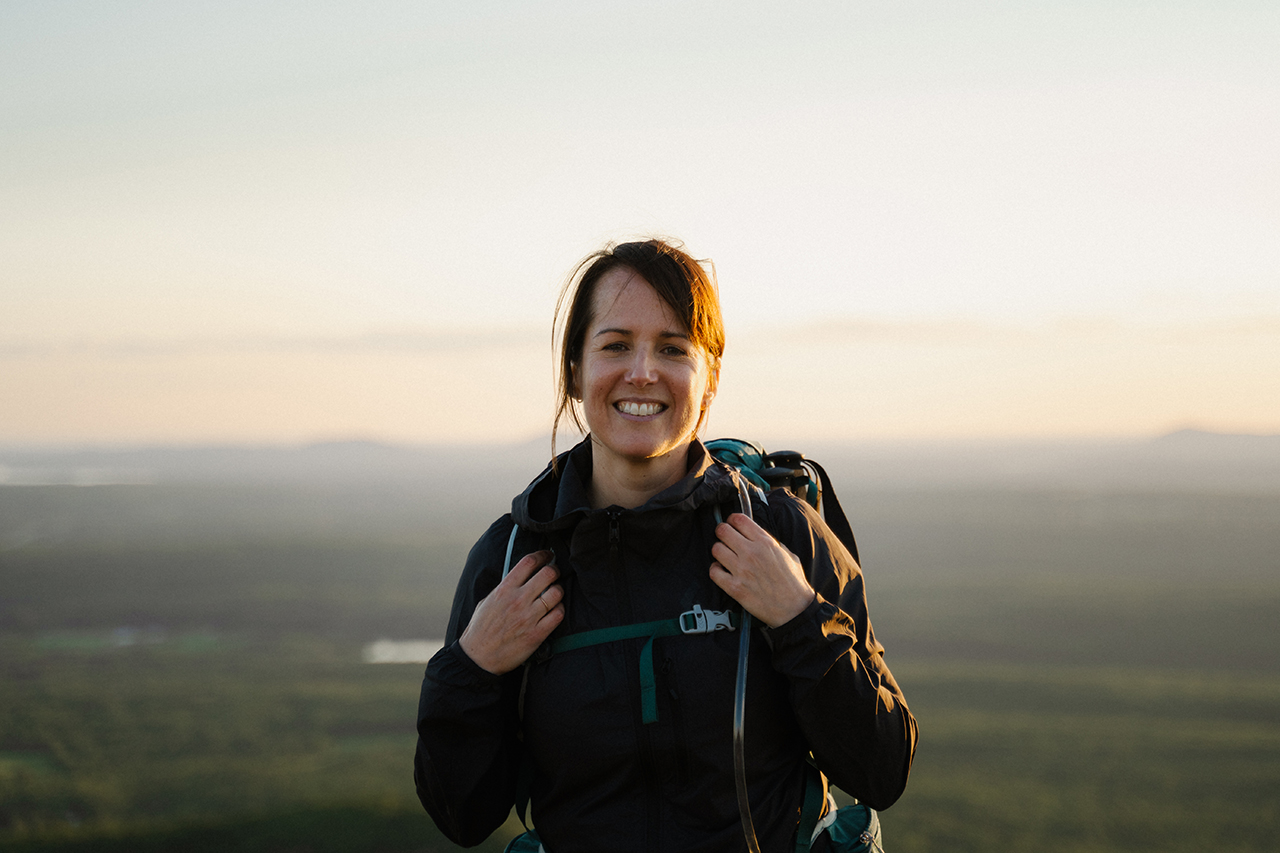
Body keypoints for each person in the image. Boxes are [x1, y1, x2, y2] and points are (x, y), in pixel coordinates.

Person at [414, 239, 916, 853]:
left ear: (709, 378)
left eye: (673, 349)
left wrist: (800, 620)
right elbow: (459, 815)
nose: (643, 372)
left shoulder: (781, 536)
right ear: (574, 369)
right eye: (616, 345)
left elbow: (882, 770)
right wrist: (472, 669)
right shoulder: (514, 559)